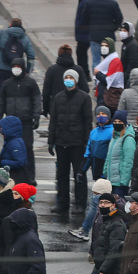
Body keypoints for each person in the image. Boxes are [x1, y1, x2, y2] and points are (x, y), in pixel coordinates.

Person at [48, 68, 92, 216]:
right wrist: (50, 140)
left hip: (77, 143)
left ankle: (80, 204)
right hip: (61, 142)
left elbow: (87, 122)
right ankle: (62, 203)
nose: (68, 79)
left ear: (76, 80)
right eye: (66, 77)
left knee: (79, 175)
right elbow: (53, 120)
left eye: (71, 77)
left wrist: (87, 142)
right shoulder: (58, 97)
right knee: (61, 175)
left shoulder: (84, 98)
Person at [1, 58, 42, 182]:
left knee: (28, 148)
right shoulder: (7, 84)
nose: (16, 68)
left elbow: (36, 100)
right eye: (14, 66)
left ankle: (30, 177)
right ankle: (12, 176)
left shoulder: (30, 83)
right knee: (11, 150)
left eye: (19, 66)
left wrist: (36, 116)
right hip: (11, 123)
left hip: (26, 122)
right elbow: (0, 101)